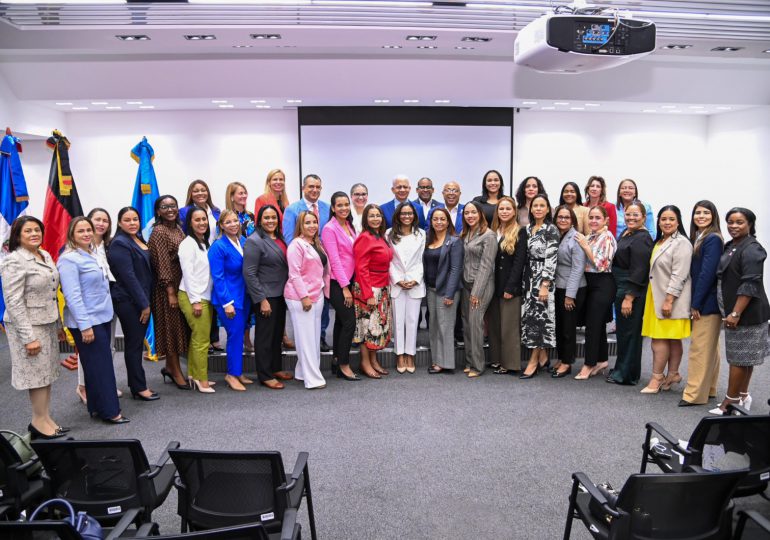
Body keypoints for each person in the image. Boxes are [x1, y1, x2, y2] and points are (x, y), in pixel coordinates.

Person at [1, 216, 67, 439]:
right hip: (27, 326)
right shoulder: (13, 261)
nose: (34, 234)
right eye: (28, 231)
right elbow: (13, 301)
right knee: (35, 375)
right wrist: (28, 337)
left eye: (37, 230)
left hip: (47, 322)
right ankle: (38, 421)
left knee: (46, 373)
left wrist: (58, 324)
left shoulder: (45, 255)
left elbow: (51, 294)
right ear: (18, 235)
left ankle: (45, 417)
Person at [58, 217, 127, 424]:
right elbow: (72, 296)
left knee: (97, 366)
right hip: (87, 322)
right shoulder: (69, 259)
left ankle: (98, 406)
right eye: (81, 231)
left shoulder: (92, 253)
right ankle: (111, 412)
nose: (87, 234)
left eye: (89, 230)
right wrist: (85, 326)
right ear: (72, 234)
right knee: (101, 367)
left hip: (102, 316)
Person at [712, 207, 769, 414]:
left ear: (750, 225)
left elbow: (750, 284)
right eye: (730, 222)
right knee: (744, 358)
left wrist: (735, 313)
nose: (733, 226)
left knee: (738, 359)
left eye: (739, 222)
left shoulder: (752, 249)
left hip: (746, 315)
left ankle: (729, 402)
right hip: (738, 313)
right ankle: (742, 396)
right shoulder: (733, 245)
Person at [640, 205, 692, 394]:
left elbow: (680, 274)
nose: (667, 222)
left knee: (659, 339)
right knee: (671, 339)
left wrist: (669, 299)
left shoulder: (682, 243)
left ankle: (656, 378)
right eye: (663, 219)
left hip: (670, 298)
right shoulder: (660, 241)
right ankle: (673, 374)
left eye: (671, 219)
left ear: (678, 222)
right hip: (656, 296)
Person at [107, 207, 157, 401]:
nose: (132, 223)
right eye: (127, 220)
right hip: (130, 301)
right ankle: (138, 387)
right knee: (134, 345)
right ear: (119, 223)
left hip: (140, 298)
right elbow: (128, 277)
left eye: (135, 219)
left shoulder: (137, 239)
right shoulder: (120, 243)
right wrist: (144, 304)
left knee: (135, 344)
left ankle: (138, 384)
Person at [244, 205, 293, 389]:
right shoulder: (254, 241)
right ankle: (264, 374)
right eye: (266, 218)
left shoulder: (279, 238)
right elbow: (249, 273)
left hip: (280, 293)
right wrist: (261, 300)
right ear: (259, 220)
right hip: (266, 296)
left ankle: (275, 367)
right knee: (265, 336)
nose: (270, 221)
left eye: (273, 217)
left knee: (276, 334)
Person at [75, 208, 121, 405]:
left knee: (107, 346)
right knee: (89, 348)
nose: (101, 223)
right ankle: (83, 386)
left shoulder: (108, 245)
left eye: (105, 220)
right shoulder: (80, 248)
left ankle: (104, 383)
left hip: (109, 301)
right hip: (90, 306)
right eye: (97, 219)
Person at [680, 201, 723, 406]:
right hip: (706, 300)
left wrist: (695, 304)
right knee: (710, 348)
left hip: (706, 301)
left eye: (706, 213)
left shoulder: (712, 239)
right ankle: (710, 388)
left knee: (699, 348)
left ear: (713, 216)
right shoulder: (700, 237)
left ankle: (694, 395)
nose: (701, 216)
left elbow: (707, 274)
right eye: (698, 212)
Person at [282, 174, 331, 351]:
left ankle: (321, 336)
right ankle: (308, 345)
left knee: (322, 306)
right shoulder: (293, 209)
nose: (315, 190)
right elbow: (289, 237)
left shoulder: (327, 207)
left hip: (323, 263)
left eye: (318, 187)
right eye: (311, 186)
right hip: (304, 264)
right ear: (303, 188)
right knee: (306, 314)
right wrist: (305, 255)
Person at [607, 201, 653, 385]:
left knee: (629, 334)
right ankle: (626, 369)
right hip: (621, 286)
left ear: (643, 217)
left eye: (636, 215)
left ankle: (625, 374)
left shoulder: (642, 238)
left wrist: (629, 297)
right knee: (625, 333)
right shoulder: (628, 233)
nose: (631, 218)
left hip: (630, 289)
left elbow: (639, 270)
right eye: (628, 214)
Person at [148, 195, 189, 390]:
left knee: (178, 327)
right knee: (171, 329)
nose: (170, 209)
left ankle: (170, 367)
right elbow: (162, 264)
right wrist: (171, 291)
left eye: (173, 205)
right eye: (165, 206)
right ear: (158, 211)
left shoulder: (178, 228)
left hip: (180, 285)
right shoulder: (159, 231)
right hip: (167, 289)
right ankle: (175, 370)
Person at [285, 211, 329, 390]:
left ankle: (302, 372)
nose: (312, 225)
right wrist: (304, 297)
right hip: (300, 298)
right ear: (300, 226)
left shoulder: (316, 242)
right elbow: (294, 274)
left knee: (312, 337)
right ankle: (313, 379)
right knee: (306, 339)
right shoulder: (296, 245)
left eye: (314, 222)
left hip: (316, 295)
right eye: (307, 223)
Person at [320, 192, 360, 381]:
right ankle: (344, 364)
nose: (344, 208)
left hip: (349, 280)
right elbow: (334, 260)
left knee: (340, 322)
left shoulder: (348, 225)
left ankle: (336, 361)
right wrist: (345, 287)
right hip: (337, 282)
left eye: (346, 204)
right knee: (350, 321)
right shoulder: (329, 228)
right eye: (340, 205)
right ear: (333, 208)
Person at [209, 210, 250, 391]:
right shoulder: (218, 247)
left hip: (243, 296)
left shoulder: (242, 241)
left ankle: (238, 371)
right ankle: (231, 375)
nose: (233, 224)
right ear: (221, 225)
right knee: (234, 336)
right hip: (228, 299)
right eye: (228, 222)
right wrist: (227, 303)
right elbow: (218, 277)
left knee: (239, 335)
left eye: (235, 221)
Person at [575, 205, 617, 380]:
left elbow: (601, 265)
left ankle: (589, 364)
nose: (593, 220)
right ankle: (601, 360)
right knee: (597, 325)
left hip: (603, 283)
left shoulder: (606, 237)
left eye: (597, 218)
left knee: (592, 325)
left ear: (606, 220)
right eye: (591, 217)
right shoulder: (592, 236)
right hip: (590, 283)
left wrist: (585, 246)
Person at [520, 194, 559, 379]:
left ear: (547, 209)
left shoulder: (551, 229)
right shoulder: (527, 228)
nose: (538, 208)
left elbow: (551, 259)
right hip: (528, 277)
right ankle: (543, 358)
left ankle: (533, 361)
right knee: (530, 318)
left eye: (542, 205)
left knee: (540, 320)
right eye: (535, 205)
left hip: (543, 279)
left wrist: (545, 284)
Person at [353, 204, 393, 378]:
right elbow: (361, 268)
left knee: (376, 328)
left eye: (378, 215)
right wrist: (368, 294)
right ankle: (365, 362)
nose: (376, 219)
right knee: (365, 328)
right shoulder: (365, 238)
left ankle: (374, 360)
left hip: (382, 287)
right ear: (365, 219)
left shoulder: (380, 236)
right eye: (372, 216)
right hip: (368, 289)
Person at [178, 206, 215, 393]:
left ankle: (193, 374)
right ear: (189, 223)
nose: (202, 223)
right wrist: (195, 301)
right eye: (197, 220)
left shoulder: (204, 242)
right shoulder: (187, 244)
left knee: (198, 338)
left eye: (204, 219)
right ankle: (202, 379)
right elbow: (188, 274)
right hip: (193, 296)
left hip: (204, 295)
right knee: (202, 340)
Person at [488, 196, 525, 375]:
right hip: (492, 286)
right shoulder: (492, 230)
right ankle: (496, 359)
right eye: (501, 209)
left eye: (508, 209)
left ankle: (509, 363)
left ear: (514, 211)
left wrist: (511, 287)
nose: (504, 212)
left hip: (509, 287)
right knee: (494, 325)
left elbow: (519, 263)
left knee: (509, 327)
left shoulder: (520, 232)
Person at [460, 201, 497, 377]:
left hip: (481, 286)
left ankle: (478, 365)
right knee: (467, 324)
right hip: (466, 284)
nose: (470, 216)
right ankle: (469, 361)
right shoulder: (466, 233)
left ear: (480, 214)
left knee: (476, 324)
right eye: (467, 213)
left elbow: (486, 266)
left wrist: (476, 292)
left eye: (473, 212)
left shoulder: (488, 235)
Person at [424, 208, 463, 374]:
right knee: (433, 326)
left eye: (442, 219)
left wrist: (450, 293)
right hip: (431, 289)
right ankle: (436, 359)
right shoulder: (428, 240)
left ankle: (445, 363)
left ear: (448, 222)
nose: (439, 222)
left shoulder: (454, 241)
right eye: (435, 219)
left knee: (445, 327)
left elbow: (455, 269)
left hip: (446, 291)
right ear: (431, 222)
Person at [388, 202, 426, 374]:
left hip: (415, 284)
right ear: (397, 215)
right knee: (398, 321)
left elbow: (421, 260)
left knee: (411, 321)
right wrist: (396, 279)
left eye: (410, 213)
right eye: (403, 213)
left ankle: (410, 355)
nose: (406, 216)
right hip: (396, 284)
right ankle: (399, 354)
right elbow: (388, 260)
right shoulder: (389, 234)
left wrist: (415, 279)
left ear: (414, 216)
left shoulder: (421, 234)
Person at [552, 205, 586, 378]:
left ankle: (567, 362)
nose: (563, 220)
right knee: (559, 326)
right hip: (558, 287)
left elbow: (578, 268)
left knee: (568, 328)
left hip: (572, 289)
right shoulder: (557, 235)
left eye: (566, 217)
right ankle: (561, 357)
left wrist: (569, 296)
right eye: (560, 217)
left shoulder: (577, 238)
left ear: (572, 219)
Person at [225, 181, 256, 352]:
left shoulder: (250, 215)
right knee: (239, 303)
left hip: (251, 262)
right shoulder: (226, 217)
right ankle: (238, 337)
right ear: (231, 196)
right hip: (235, 267)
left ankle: (247, 336)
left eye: (245, 193)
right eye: (240, 193)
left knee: (250, 303)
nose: (243, 196)